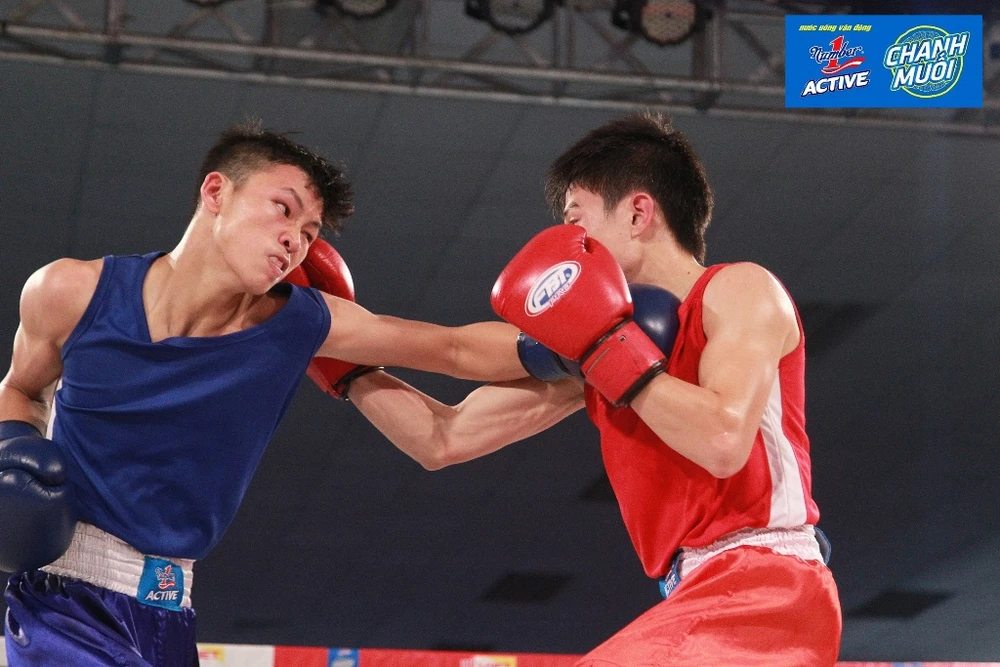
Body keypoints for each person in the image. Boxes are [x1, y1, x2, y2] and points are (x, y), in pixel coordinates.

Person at [0, 120, 526, 666]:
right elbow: (20, 387)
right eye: (283, 208)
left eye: (311, 233)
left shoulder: (299, 323)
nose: (295, 240)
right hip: (65, 604)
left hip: (168, 613)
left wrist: (572, 344)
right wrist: (13, 448)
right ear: (216, 192)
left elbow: (454, 349)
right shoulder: (71, 291)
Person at [329, 112, 843, 666]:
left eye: (578, 221)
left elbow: (722, 441)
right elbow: (443, 429)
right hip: (696, 596)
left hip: (767, 587)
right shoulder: (598, 351)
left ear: (638, 213)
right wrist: (340, 364)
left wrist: (607, 350)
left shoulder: (740, 289)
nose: (572, 245)